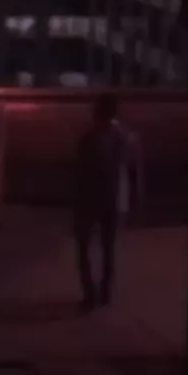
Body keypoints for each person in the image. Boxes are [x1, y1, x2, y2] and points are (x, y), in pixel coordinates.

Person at [73, 93, 140, 313]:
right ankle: (105, 294)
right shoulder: (128, 137)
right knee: (108, 249)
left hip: (91, 200)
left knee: (84, 248)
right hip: (116, 201)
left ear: (98, 112)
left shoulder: (90, 138)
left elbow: (80, 173)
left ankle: (90, 294)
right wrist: (133, 199)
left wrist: (75, 199)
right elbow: (134, 172)